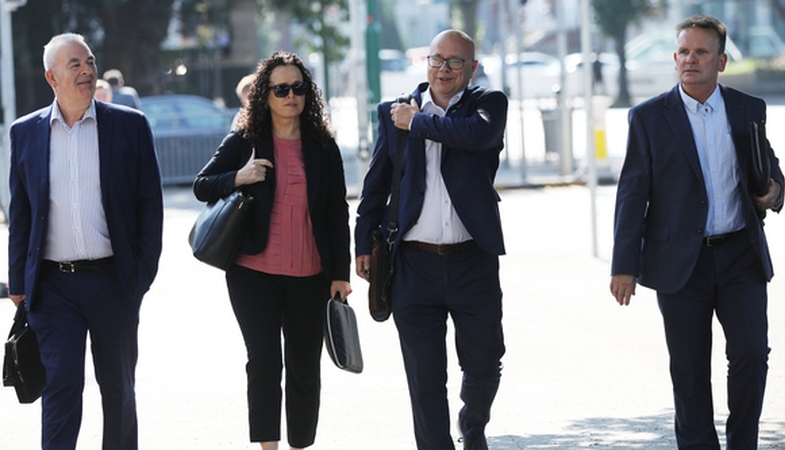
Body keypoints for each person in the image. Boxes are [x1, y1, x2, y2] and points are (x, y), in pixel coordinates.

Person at [610, 15, 785, 450]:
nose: (691, 59)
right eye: (684, 52)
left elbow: (768, 166)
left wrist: (775, 191)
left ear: (721, 61)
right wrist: (624, 266)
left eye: (701, 52)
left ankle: (742, 442)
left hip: (740, 255)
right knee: (688, 370)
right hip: (679, 264)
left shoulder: (748, 109)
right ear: (674, 58)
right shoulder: (648, 118)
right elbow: (632, 194)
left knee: (751, 355)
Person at [7, 33, 163, 449]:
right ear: (51, 76)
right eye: (74, 64)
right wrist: (19, 285)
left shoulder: (129, 126)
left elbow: (151, 204)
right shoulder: (25, 133)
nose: (86, 70)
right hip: (53, 288)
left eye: (89, 61)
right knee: (60, 388)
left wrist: (141, 275)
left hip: (114, 281)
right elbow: (20, 215)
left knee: (118, 390)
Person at [354, 29, 508, 450]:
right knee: (424, 376)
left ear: (471, 68)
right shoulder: (394, 112)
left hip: (472, 259)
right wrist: (361, 244)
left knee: (484, 363)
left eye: (455, 62)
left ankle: (472, 427)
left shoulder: (487, 106)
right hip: (413, 265)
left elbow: (478, 138)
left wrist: (419, 121)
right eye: (437, 59)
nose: (444, 69)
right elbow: (374, 187)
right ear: (426, 62)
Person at [193, 52, 351, 450]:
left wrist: (340, 273)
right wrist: (238, 177)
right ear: (265, 95)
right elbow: (202, 184)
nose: (290, 96)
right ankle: (268, 446)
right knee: (263, 361)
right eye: (281, 89)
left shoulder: (322, 146)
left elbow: (336, 211)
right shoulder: (245, 140)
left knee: (304, 367)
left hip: (310, 275)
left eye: (298, 88)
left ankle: (300, 445)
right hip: (252, 273)